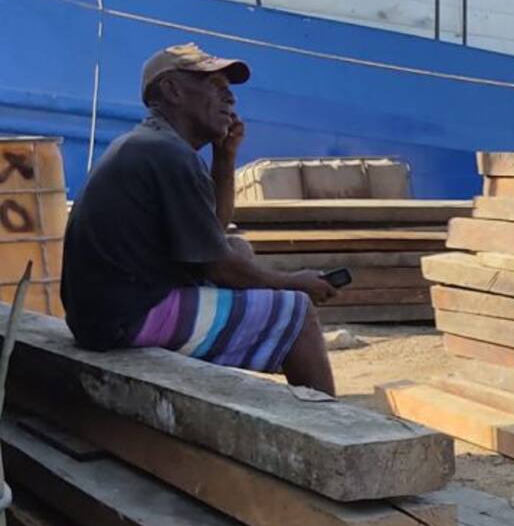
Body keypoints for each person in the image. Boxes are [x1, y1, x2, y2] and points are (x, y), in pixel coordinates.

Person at [61, 43, 340, 394]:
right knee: (297, 314)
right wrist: (292, 282)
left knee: (238, 248)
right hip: (125, 320)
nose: (231, 100)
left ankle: (208, 386)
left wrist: (225, 158)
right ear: (172, 91)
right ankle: (333, 434)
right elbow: (217, 267)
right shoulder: (167, 155)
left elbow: (214, 236)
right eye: (216, 88)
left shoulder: (154, 145)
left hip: (102, 314)